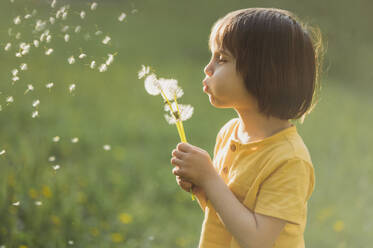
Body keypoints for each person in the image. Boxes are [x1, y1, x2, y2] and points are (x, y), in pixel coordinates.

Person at [170, 7, 324, 248]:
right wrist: (201, 187)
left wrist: (209, 178)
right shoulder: (229, 133)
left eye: (221, 59)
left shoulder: (289, 160)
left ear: (266, 73)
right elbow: (226, 217)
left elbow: (257, 240)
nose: (208, 68)